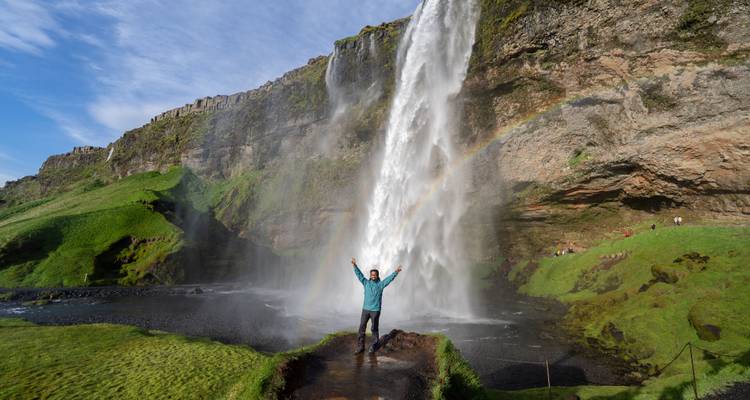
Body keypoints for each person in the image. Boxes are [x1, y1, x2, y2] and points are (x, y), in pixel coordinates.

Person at [351, 257, 402, 354]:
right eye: (372, 275)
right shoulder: (366, 283)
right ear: (370, 276)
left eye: (375, 275)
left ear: (377, 276)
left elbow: (389, 279)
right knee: (362, 327)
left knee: (374, 329)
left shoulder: (381, 285)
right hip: (365, 309)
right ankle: (360, 347)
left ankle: (374, 346)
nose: (373, 276)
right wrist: (354, 265)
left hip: (375, 310)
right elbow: (359, 275)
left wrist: (396, 272)